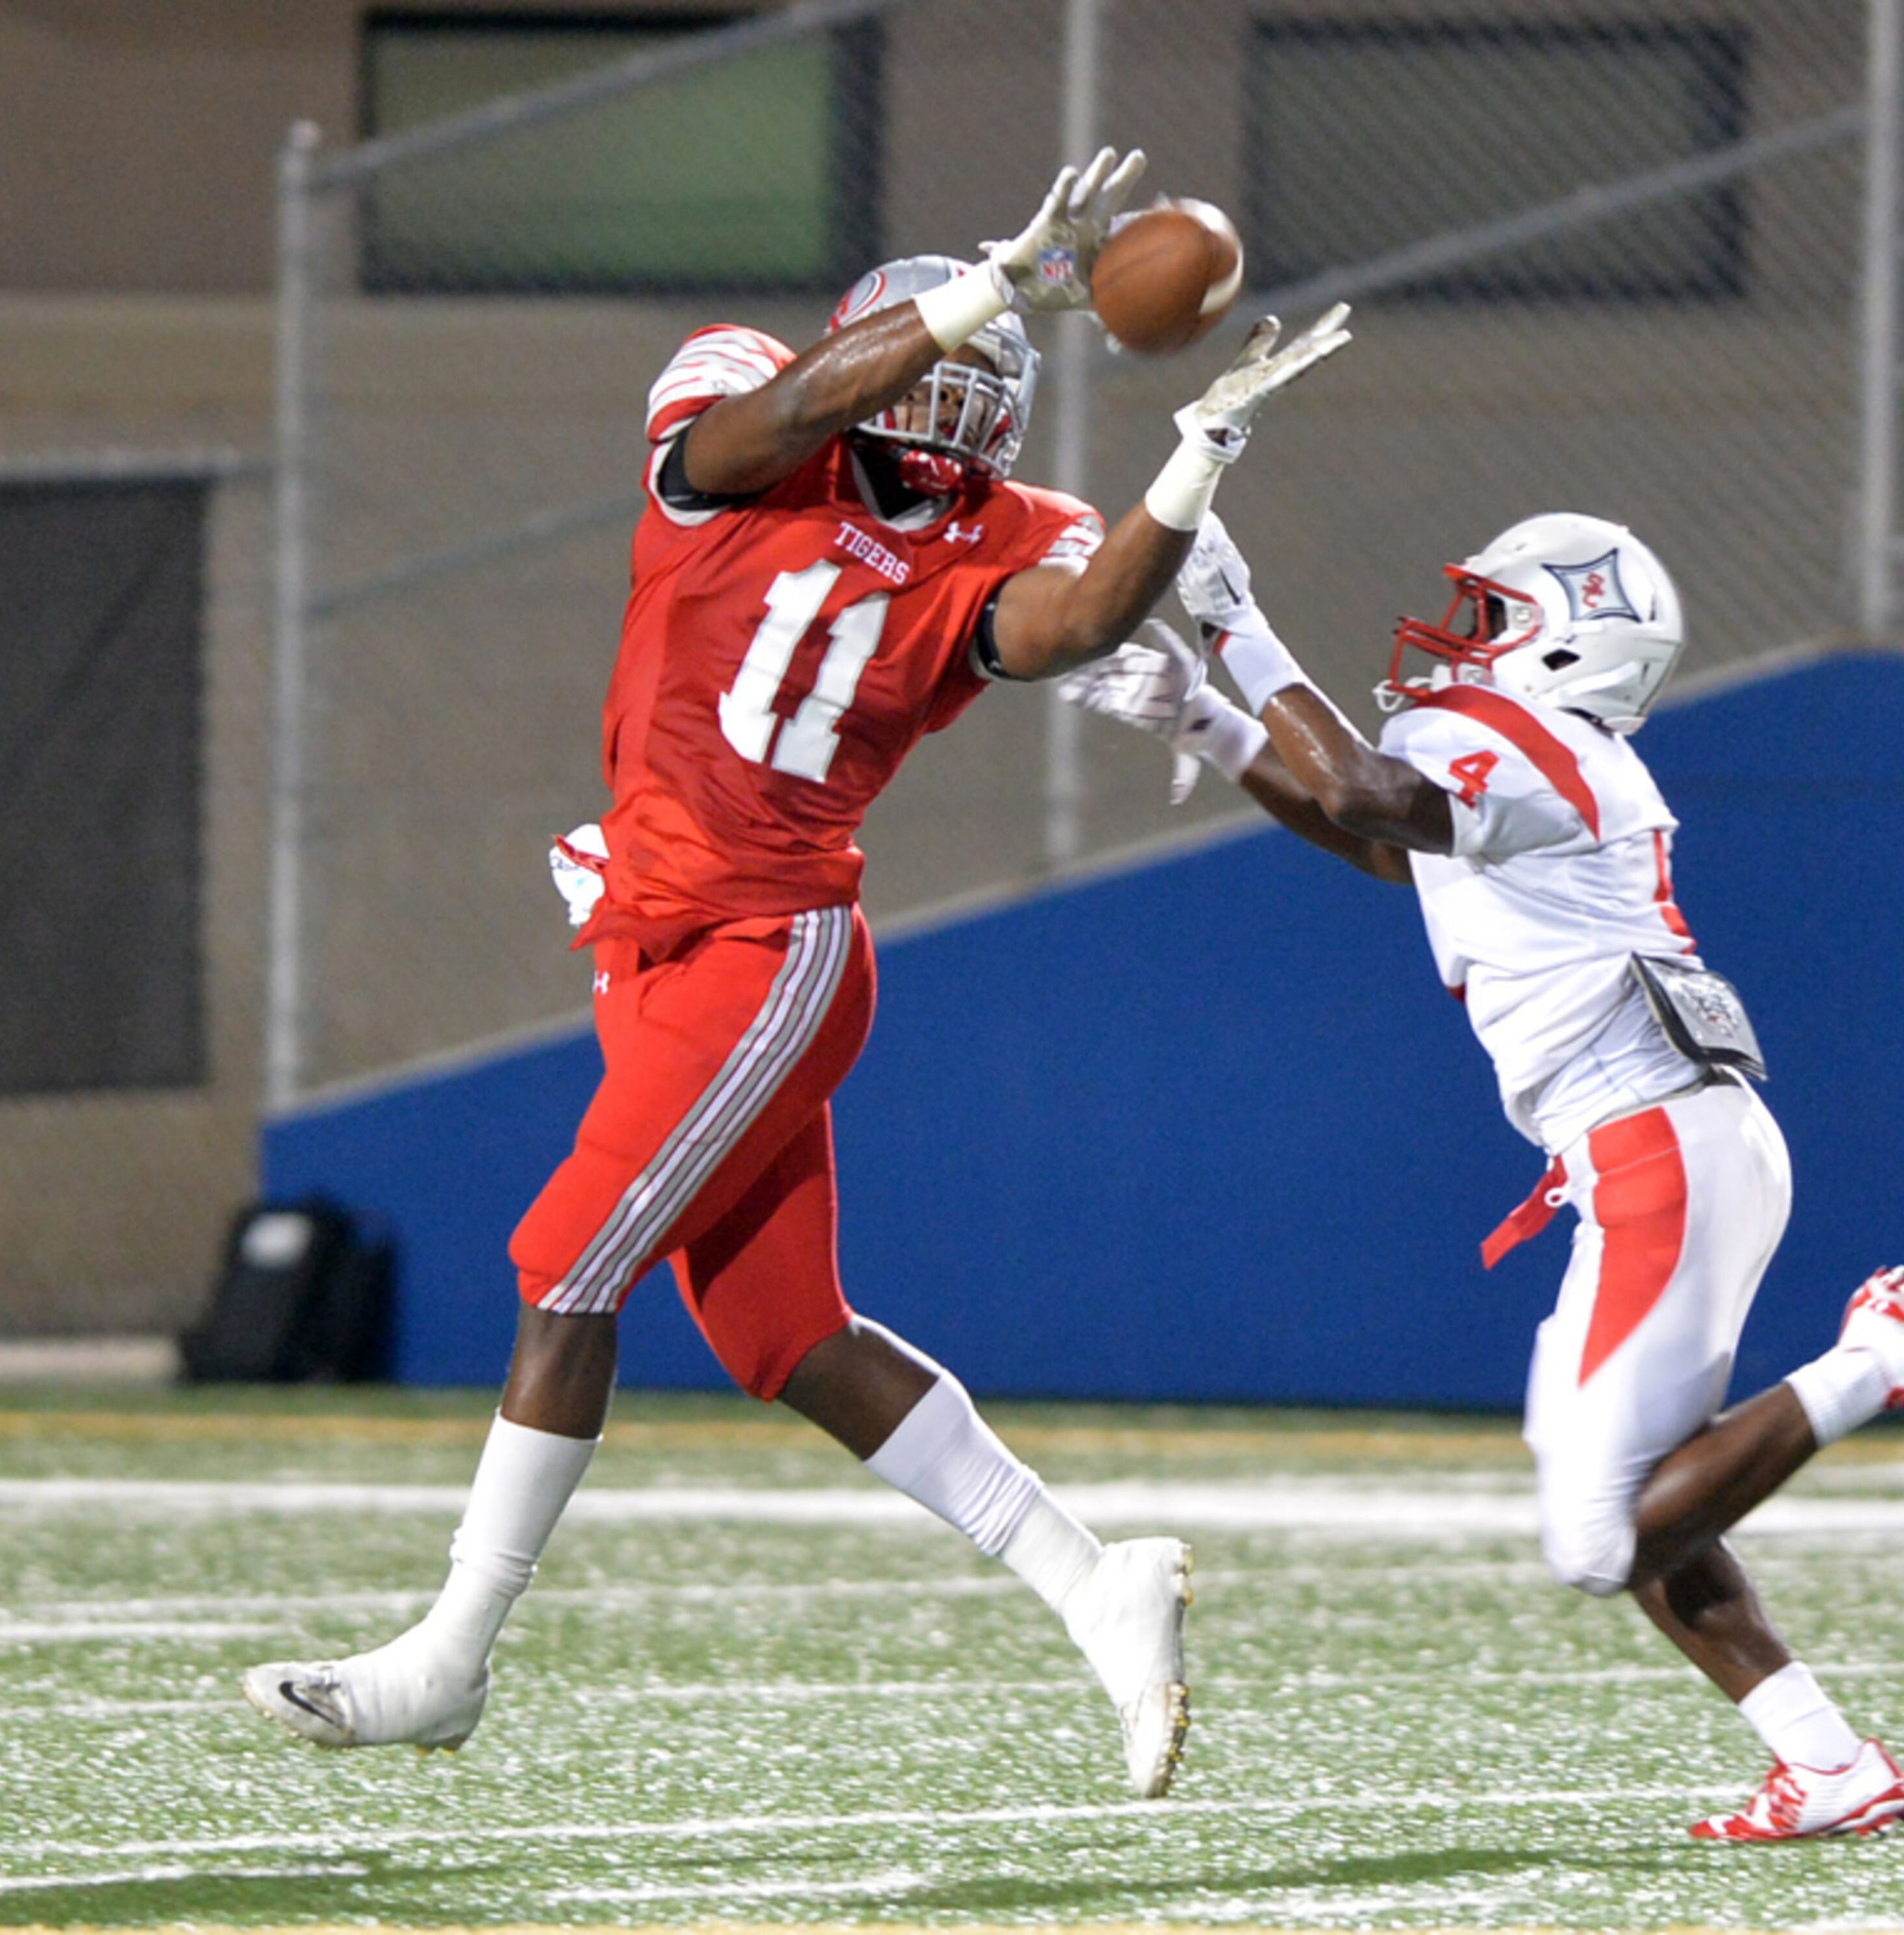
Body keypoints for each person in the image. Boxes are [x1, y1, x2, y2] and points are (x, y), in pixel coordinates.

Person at [241, 149, 1353, 1802]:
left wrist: (1188, 467)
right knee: (782, 1335)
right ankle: (1091, 1579)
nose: (957, 398)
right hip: (656, 927)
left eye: (986, 374)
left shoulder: (1001, 532)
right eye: (936, 356)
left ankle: (450, 1660)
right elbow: (753, 435)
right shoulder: (735, 411)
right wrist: (980, 290)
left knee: (568, 1265)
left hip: (769, 950)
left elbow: (1062, 627)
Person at [1062, 509, 1904, 1840]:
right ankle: (1829, 1764)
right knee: (1629, 1492)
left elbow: (1367, 796)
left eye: (1495, 616)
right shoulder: (1538, 754)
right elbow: (1384, 842)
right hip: (1663, 1143)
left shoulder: (1539, 742)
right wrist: (1208, 718)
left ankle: (1877, 1359)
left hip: (1655, 1142)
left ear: (1566, 645)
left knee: (1597, 1536)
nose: (1460, 637)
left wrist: (1236, 628)